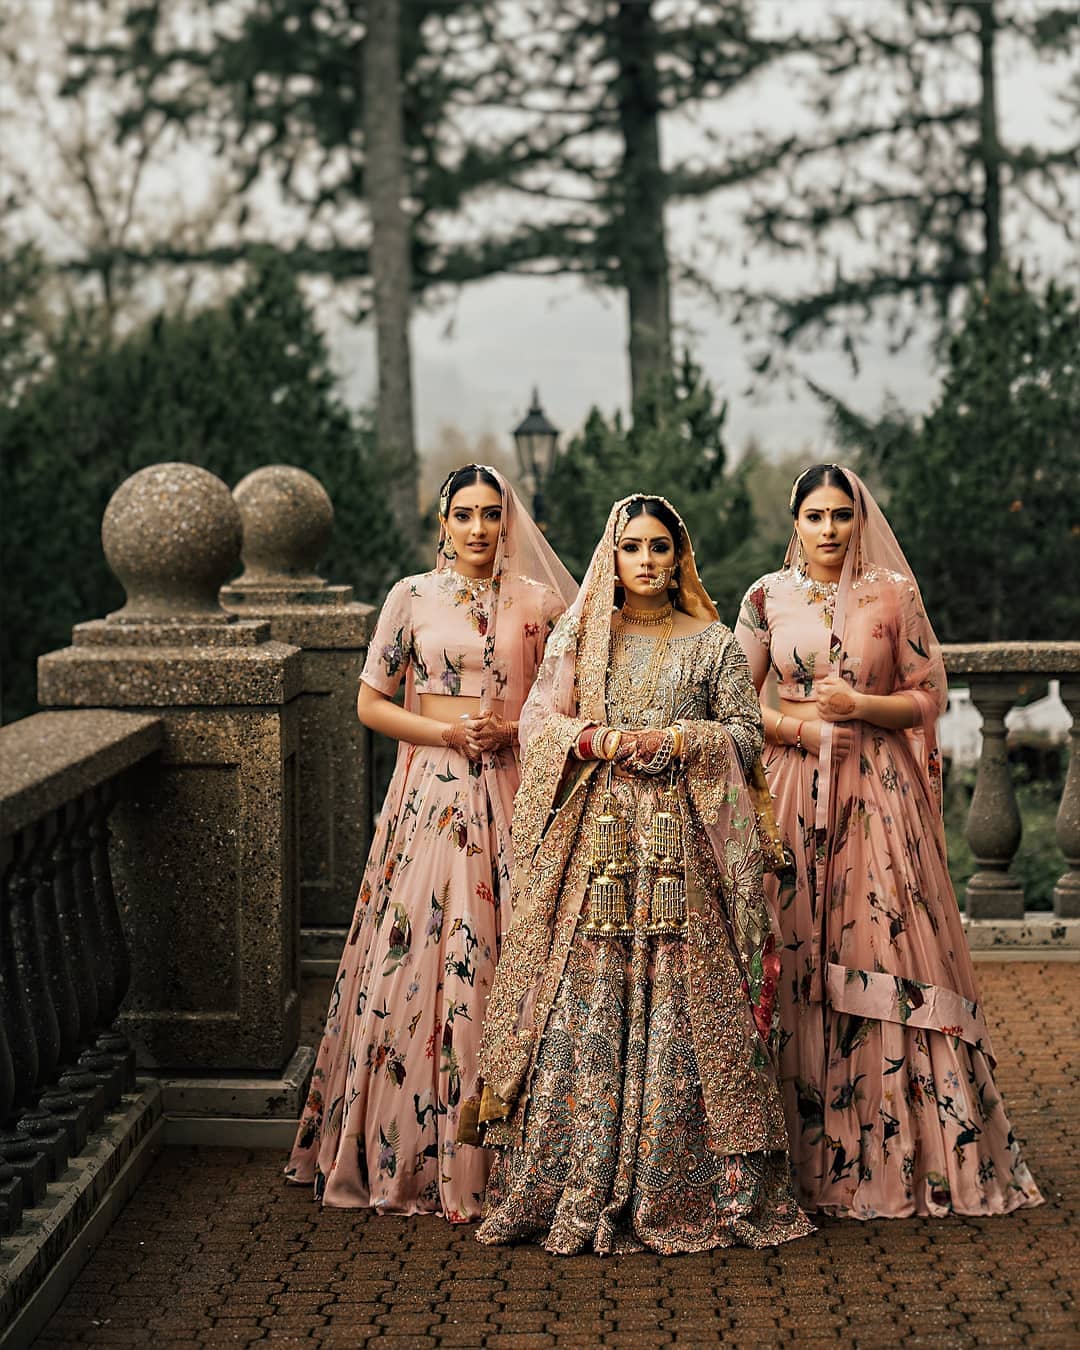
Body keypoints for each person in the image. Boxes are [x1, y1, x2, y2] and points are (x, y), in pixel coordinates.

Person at [471, 495, 813, 1255]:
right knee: (584, 993)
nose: (648, 560)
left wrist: (680, 741)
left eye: (661, 546)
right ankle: (576, 1177)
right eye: (633, 547)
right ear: (613, 557)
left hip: (683, 846)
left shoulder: (715, 643)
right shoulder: (582, 635)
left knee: (692, 1000)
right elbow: (536, 721)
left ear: (679, 554)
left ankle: (688, 1185)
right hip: (598, 846)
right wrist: (591, 741)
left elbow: (746, 734)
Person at [735, 463, 1044, 1220]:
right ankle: (792, 1158)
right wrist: (801, 724)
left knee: (884, 942)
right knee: (792, 945)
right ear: (795, 521)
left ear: (857, 518)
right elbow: (733, 706)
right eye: (816, 516)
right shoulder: (764, 598)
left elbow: (929, 694)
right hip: (790, 788)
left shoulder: (891, 595)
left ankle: (897, 1150)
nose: (831, 528)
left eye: (842, 514)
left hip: (876, 792)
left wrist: (862, 705)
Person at [286, 464, 576, 1220]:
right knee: (418, 955)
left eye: (491, 513)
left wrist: (511, 730)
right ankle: (408, 1154)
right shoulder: (410, 597)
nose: (479, 527)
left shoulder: (542, 604)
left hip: (516, 784)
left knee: (519, 948)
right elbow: (370, 705)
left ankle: (525, 1150)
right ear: (441, 522)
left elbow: (570, 705)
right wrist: (446, 733)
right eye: (464, 514)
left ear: (507, 521)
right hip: (431, 792)